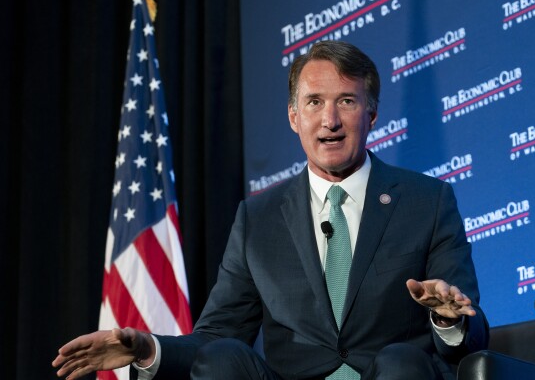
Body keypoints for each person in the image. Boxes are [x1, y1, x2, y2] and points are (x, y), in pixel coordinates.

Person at [53, 40, 489, 380]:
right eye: (314, 102)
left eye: (347, 101)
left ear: (371, 114)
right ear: (293, 117)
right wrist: (147, 349)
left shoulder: (427, 201)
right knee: (223, 358)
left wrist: (447, 317)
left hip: (393, 374)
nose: (330, 120)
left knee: (401, 362)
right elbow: (215, 336)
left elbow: (470, 334)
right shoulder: (257, 219)